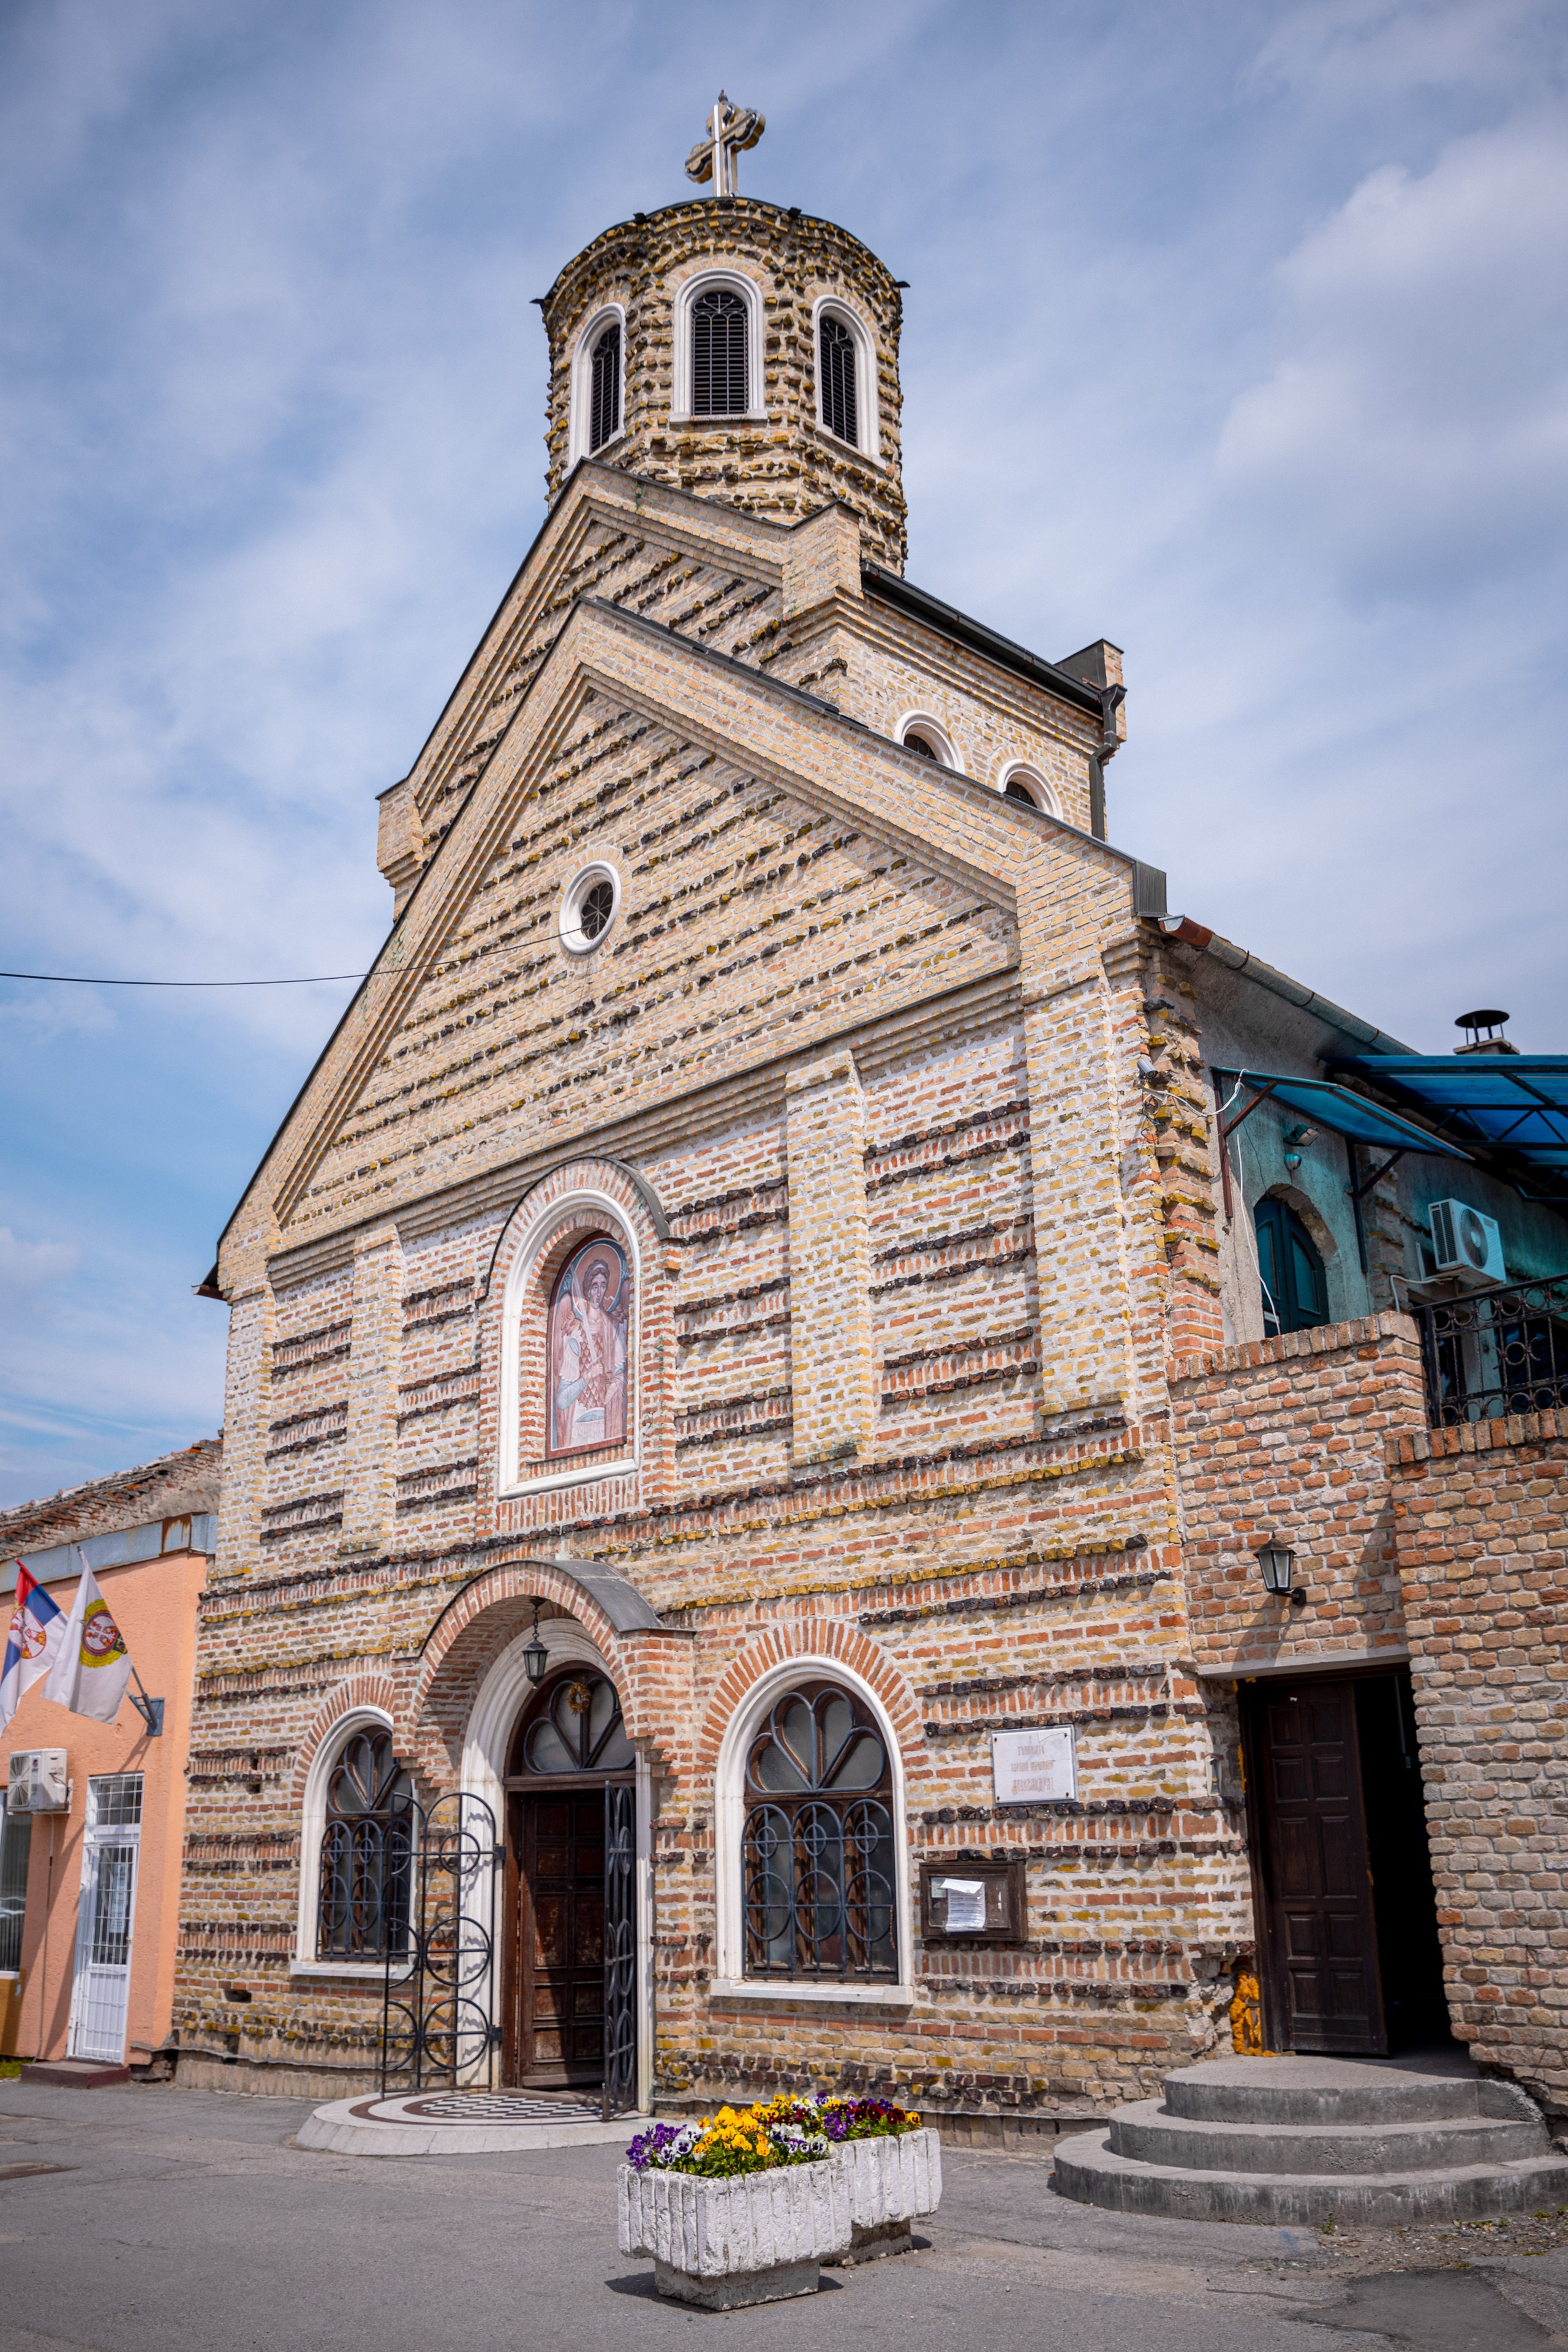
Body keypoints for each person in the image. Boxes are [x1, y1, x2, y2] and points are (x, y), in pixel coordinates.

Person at [550, 1242, 628, 1452]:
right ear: (587, 1290)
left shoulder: (613, 1328)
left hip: (609, 1421)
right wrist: (587, 1376)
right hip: (581, 1425)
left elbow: (625, 1373)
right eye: (595, 1286)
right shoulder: (576, 1335)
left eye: (603, 1286)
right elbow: (562, 1400)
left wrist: (616, 1384)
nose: (599, 1293)